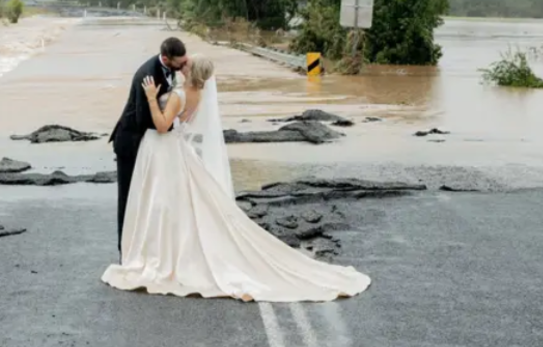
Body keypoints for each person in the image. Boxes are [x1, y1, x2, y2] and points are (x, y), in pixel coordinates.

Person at [102, 53, 371, 302]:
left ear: (192, 72)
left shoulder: (180, 94)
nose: (182, 66)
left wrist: (150, 96)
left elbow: (162, 126)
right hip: (180, 152)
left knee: (166, 204)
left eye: (186, 65)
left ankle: (162, 253)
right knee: (184, 205)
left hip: (170, 149)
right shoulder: (198, 93)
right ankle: (171, 249)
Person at [110, 37, 188, 258]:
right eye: (179, 64)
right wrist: (171, 122)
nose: (183, 67)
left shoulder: (169, 67)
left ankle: (145, 246)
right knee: (128, 198)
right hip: (131, 142)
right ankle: (124, 250)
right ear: (165, 58)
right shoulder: (148, 74)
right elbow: (144, 118)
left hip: (150, 143)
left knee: (147, 197)